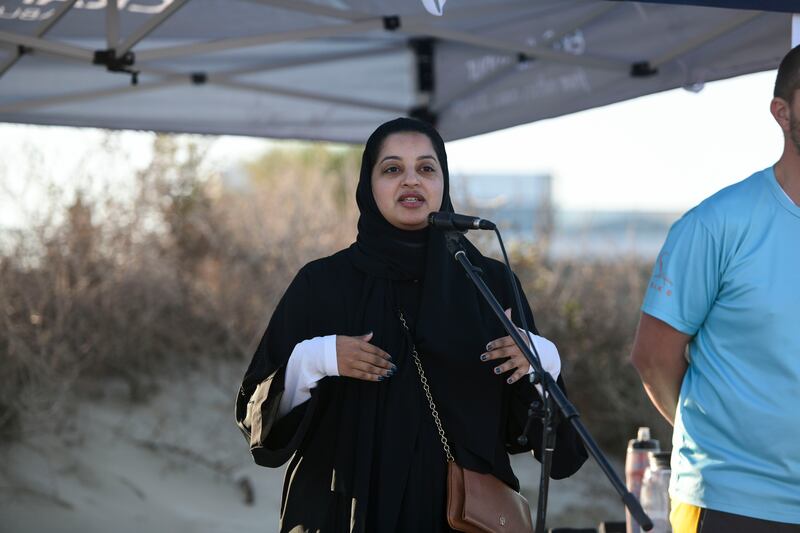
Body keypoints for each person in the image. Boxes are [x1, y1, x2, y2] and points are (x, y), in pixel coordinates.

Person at [235, 117, 587, 532]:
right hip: (344, 513)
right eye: (392, 169)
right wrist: (316, 358)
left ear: (443, 182)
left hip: (459, 518)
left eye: (425, 168)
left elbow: (554, 451)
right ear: (369, 184)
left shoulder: (488, 283)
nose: (410, 181)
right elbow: (256, 422)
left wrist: (542, 363)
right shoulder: (322, 283)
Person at [630, 46, 800, 533]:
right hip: (733, 501)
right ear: (782, 112)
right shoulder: (716, 225)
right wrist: (718, 442)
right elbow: (654, 358)